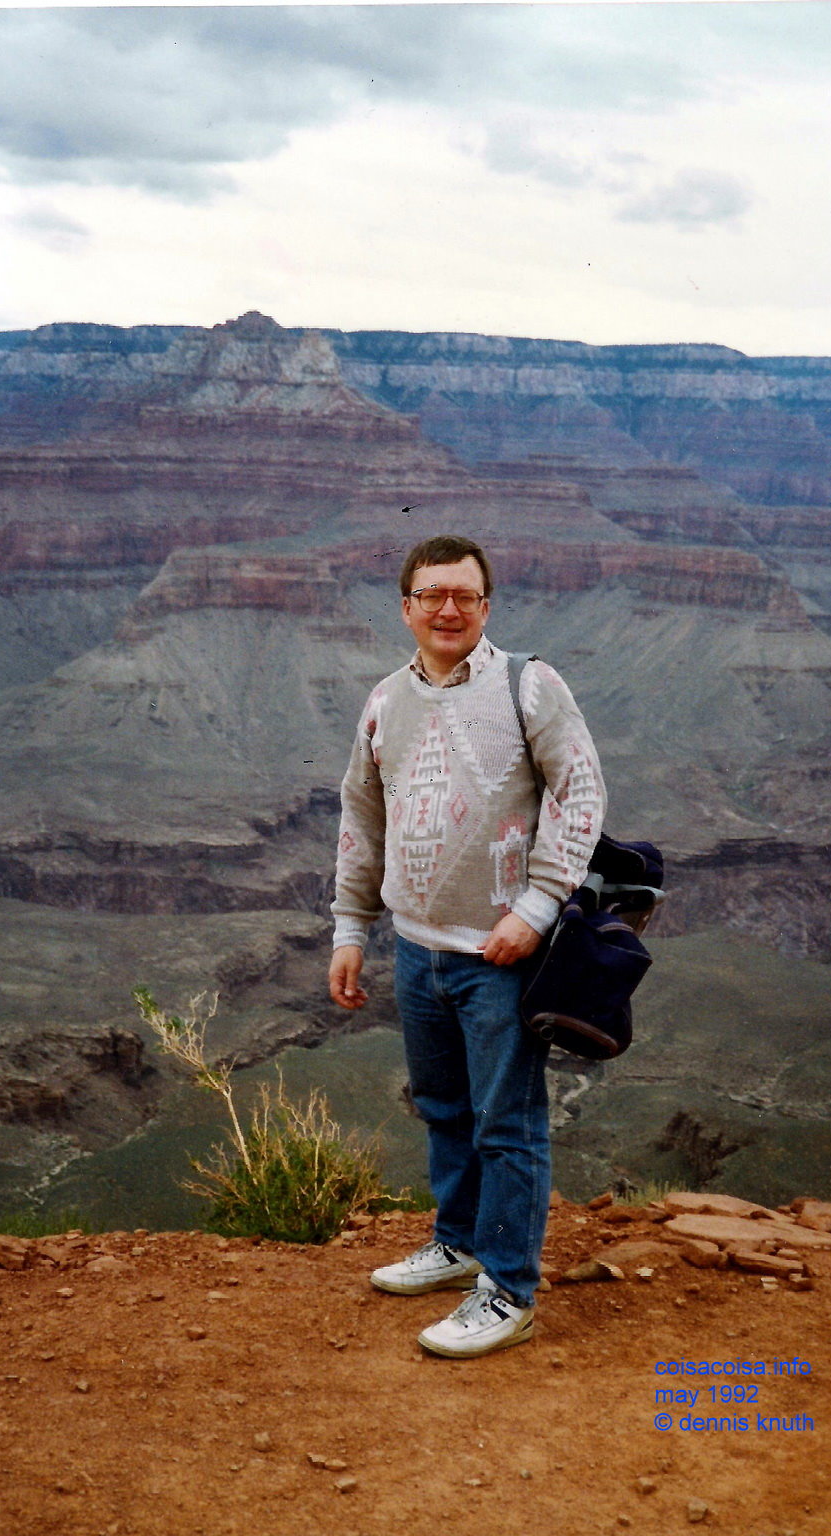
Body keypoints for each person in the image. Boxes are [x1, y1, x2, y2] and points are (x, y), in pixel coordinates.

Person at [329, 534, 606, 1358]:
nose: (447, 609)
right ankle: (456, 1244)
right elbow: (361, 815)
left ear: (486, 606)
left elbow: (580, 787)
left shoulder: (529, 685)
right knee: (445, 1109)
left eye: (464, 595)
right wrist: (351, 928)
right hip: (415, 950)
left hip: (501, 953)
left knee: (506, 1123)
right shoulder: (384, 700)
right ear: (405, 606)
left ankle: (509, 1289)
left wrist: (538, 905)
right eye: (430, 594)